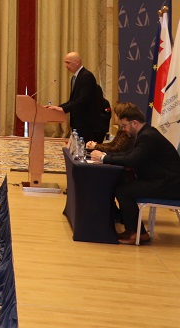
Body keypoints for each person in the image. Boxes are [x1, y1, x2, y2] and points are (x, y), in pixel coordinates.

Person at [88, 103, 180, 243]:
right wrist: (105, 156)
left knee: (124, 190)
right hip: (162, 180)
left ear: (134, 123)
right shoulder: (145, 133)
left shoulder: (148, 136)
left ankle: (137, 233)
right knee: (122, 182)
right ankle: (130, 227)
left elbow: (131, 160)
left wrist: (103, 158)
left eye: (124, 126)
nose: (123, 130)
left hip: (169, 185)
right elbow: (129, 154)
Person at [50, 51, 110, 144]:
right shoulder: (75, 77)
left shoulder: (86, 76)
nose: (66, 66)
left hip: (87, 123)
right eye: (65, 63)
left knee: (85, 149)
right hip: (79, 122)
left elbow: (82, 100)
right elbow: (73, 100)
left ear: (77, 62)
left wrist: (64, 109)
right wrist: (58, 108)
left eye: (68, 63)